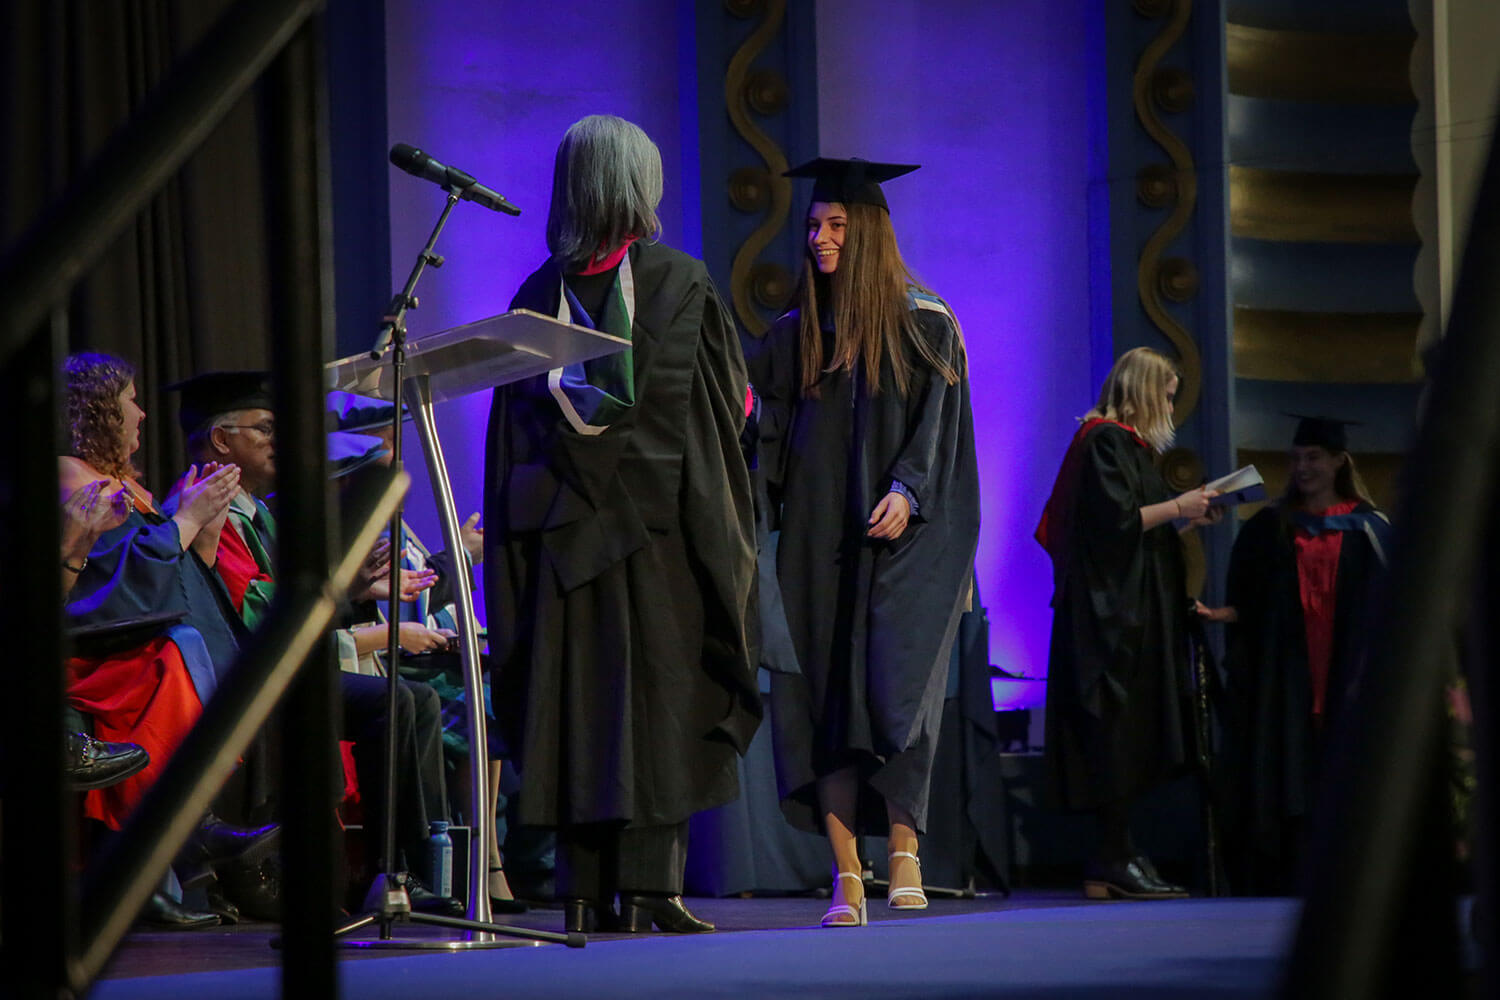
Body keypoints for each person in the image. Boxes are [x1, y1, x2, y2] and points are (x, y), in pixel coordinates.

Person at [484, 114, 759, 934]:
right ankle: (646, 891)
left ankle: (583, 890)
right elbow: (715, 414)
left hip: (563, 537)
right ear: (638, 184)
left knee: (575, 702)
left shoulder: (534, 296)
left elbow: (516, 437)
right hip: (657, 535)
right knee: (652, 704)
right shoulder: (680, 280)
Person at [747, 157, 980, 927]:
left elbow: (940, 434)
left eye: (837, 226)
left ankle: (905, 851)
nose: (820, 238)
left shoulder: (926, 321)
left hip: (897, 541)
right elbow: (767, 445)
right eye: (814, 225)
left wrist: (909, 491)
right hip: (813, 542)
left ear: (870, 231)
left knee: (896, 693)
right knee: (822, 699)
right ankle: (846, 873)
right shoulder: (793, 334)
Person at [59, 351, 279, 926]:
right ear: (98, 410)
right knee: (177, 653)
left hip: (136, 644)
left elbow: (180, 578)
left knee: (184, 648)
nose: (141, 414)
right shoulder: (70, 475)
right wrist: (182, 521)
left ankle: (179, 854)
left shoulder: (130, 487)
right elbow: (112, 584)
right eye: (130, 400)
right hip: (94, 651)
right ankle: (170, 850)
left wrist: (202, 527)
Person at [1035, 346, 1220, 899]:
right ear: (1144, 390)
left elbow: (1134, 533)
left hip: (1127, 614)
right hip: (1107, 622)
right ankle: (1111, 856)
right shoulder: (1106, 442)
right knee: (1113, 732)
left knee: (1128, 732)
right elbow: (1113, 523)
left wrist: (1188, 519)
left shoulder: (1127, 449)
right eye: (1166, 394)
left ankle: (1114, 857)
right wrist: (1179, 507)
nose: (1170, 405)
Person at [1196, 415, 1390, 894]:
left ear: (1339, 462)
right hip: (1286, 676)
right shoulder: (1270, 528)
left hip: (1348, 674)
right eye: (1296, 458)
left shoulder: (1370, 529)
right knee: (1287, 762)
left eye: (1314, 457)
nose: (1302, 467)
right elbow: (1250, 598)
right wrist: (1226, 616)